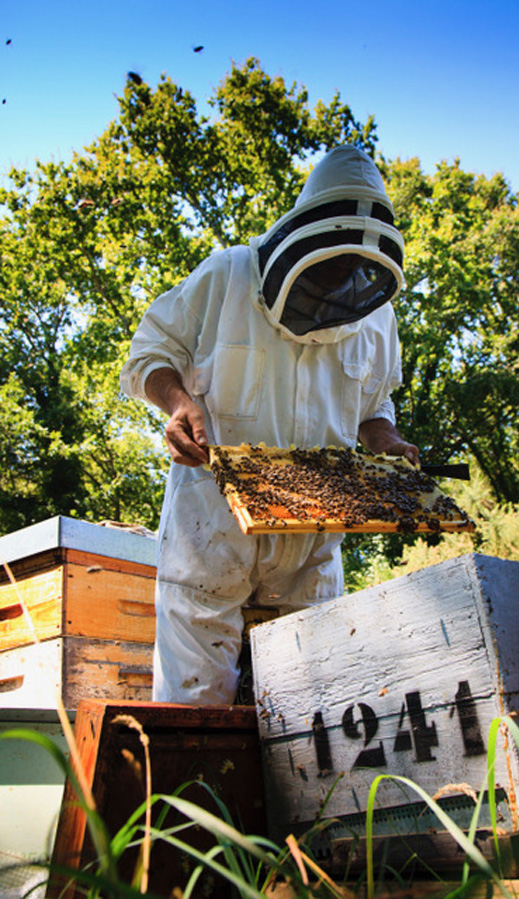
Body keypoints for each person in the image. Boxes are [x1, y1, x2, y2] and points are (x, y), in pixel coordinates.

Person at [120, 145, 419, 705]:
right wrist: (178, 401)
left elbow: (374, 407)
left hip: (311, 555)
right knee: (196, 722)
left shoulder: (377, 318)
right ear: (305, 237)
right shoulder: (228, 275)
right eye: (328, 270)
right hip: (212, 537)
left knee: (313, 728)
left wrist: (386, 440)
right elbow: (148, 355)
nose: (340, 283)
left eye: (351, 271)